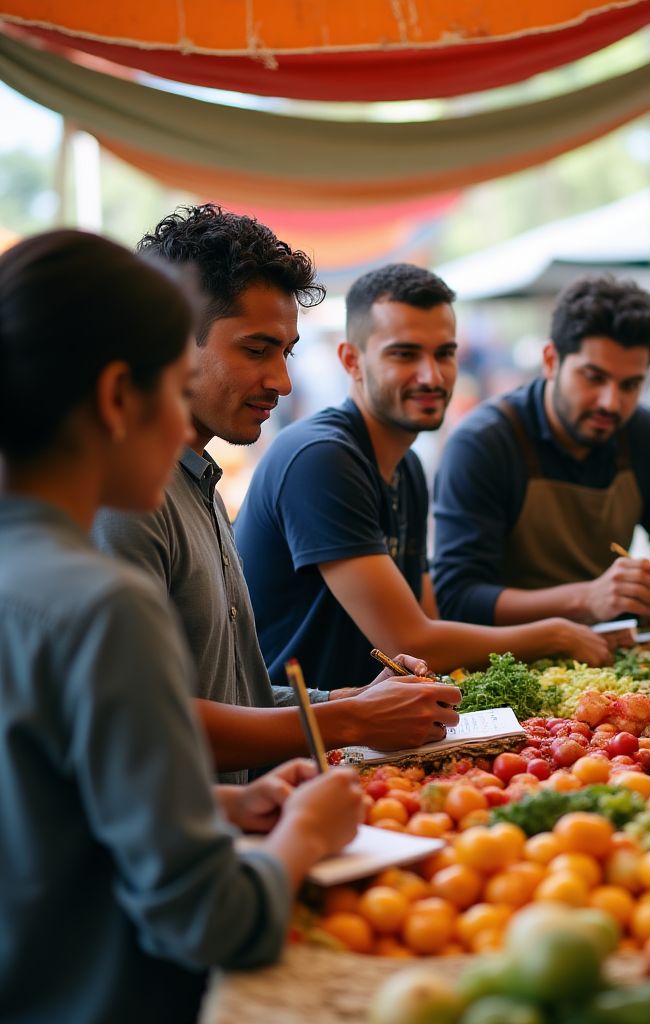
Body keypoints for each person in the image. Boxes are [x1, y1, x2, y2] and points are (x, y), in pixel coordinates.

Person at [0, 230, 363, 1023]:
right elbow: (205, 918)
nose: (178, 430)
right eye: (170, 389)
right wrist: (303, 836)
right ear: (116, 398)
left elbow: (56, 810)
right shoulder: (98, 604)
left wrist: (226, 809)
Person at [93, 206, 458, 783]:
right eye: (257, 350)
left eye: (285, 354)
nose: (282, 383)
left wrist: (349, 700)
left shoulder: (200, 483)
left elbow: (235, 692)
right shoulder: (123, 499)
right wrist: (347, 722)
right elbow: (137, 728)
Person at [235, 264, 610, 689]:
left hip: (382, 733)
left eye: (444, 353)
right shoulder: (320, 457)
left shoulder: (406, 465)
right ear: (351, 360)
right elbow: (410, 641)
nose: (432, 376)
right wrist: (555, 635)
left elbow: (430, 620)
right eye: (405, 354)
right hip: (302, 742)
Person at [431, 275, 650, 628]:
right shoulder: (483, 443)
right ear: (551, 360)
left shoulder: (645, 434)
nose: (610, 402)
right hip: (508, 657)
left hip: (613, 654)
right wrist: (587, 598)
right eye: (593, 377)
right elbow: (456, 598)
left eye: (630, 385)